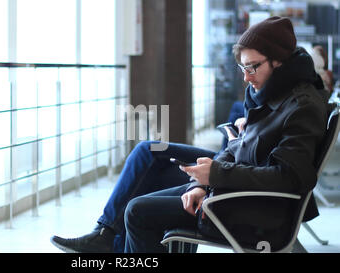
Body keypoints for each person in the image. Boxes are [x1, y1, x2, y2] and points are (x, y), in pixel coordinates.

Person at [51, 16, 329, 253]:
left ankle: (108, 238)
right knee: (148, 163)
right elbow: (240, 149)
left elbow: (290, 177)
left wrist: (215, 176)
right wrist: (202, 184)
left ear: (279, 61)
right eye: (243, 68)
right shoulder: (269, 91)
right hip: (239, 183)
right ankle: (106, 235)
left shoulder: (297, 105)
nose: (246, 77)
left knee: (140, 202)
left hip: (253, 203)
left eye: (252, 67)